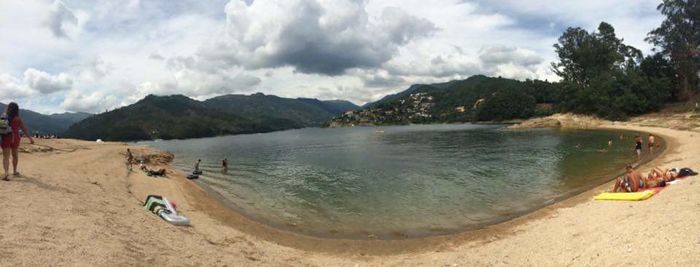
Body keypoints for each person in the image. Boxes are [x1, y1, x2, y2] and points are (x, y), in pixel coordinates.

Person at [1, 102, 35, 181]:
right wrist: (30, 138)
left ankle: (6, 173)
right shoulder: (18, 118)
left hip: (6, 137)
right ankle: (15, 171)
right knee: (15, 155)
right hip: (15, 138)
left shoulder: (4, 116)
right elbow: (24, 129)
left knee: (6, 156)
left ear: (8, 108)